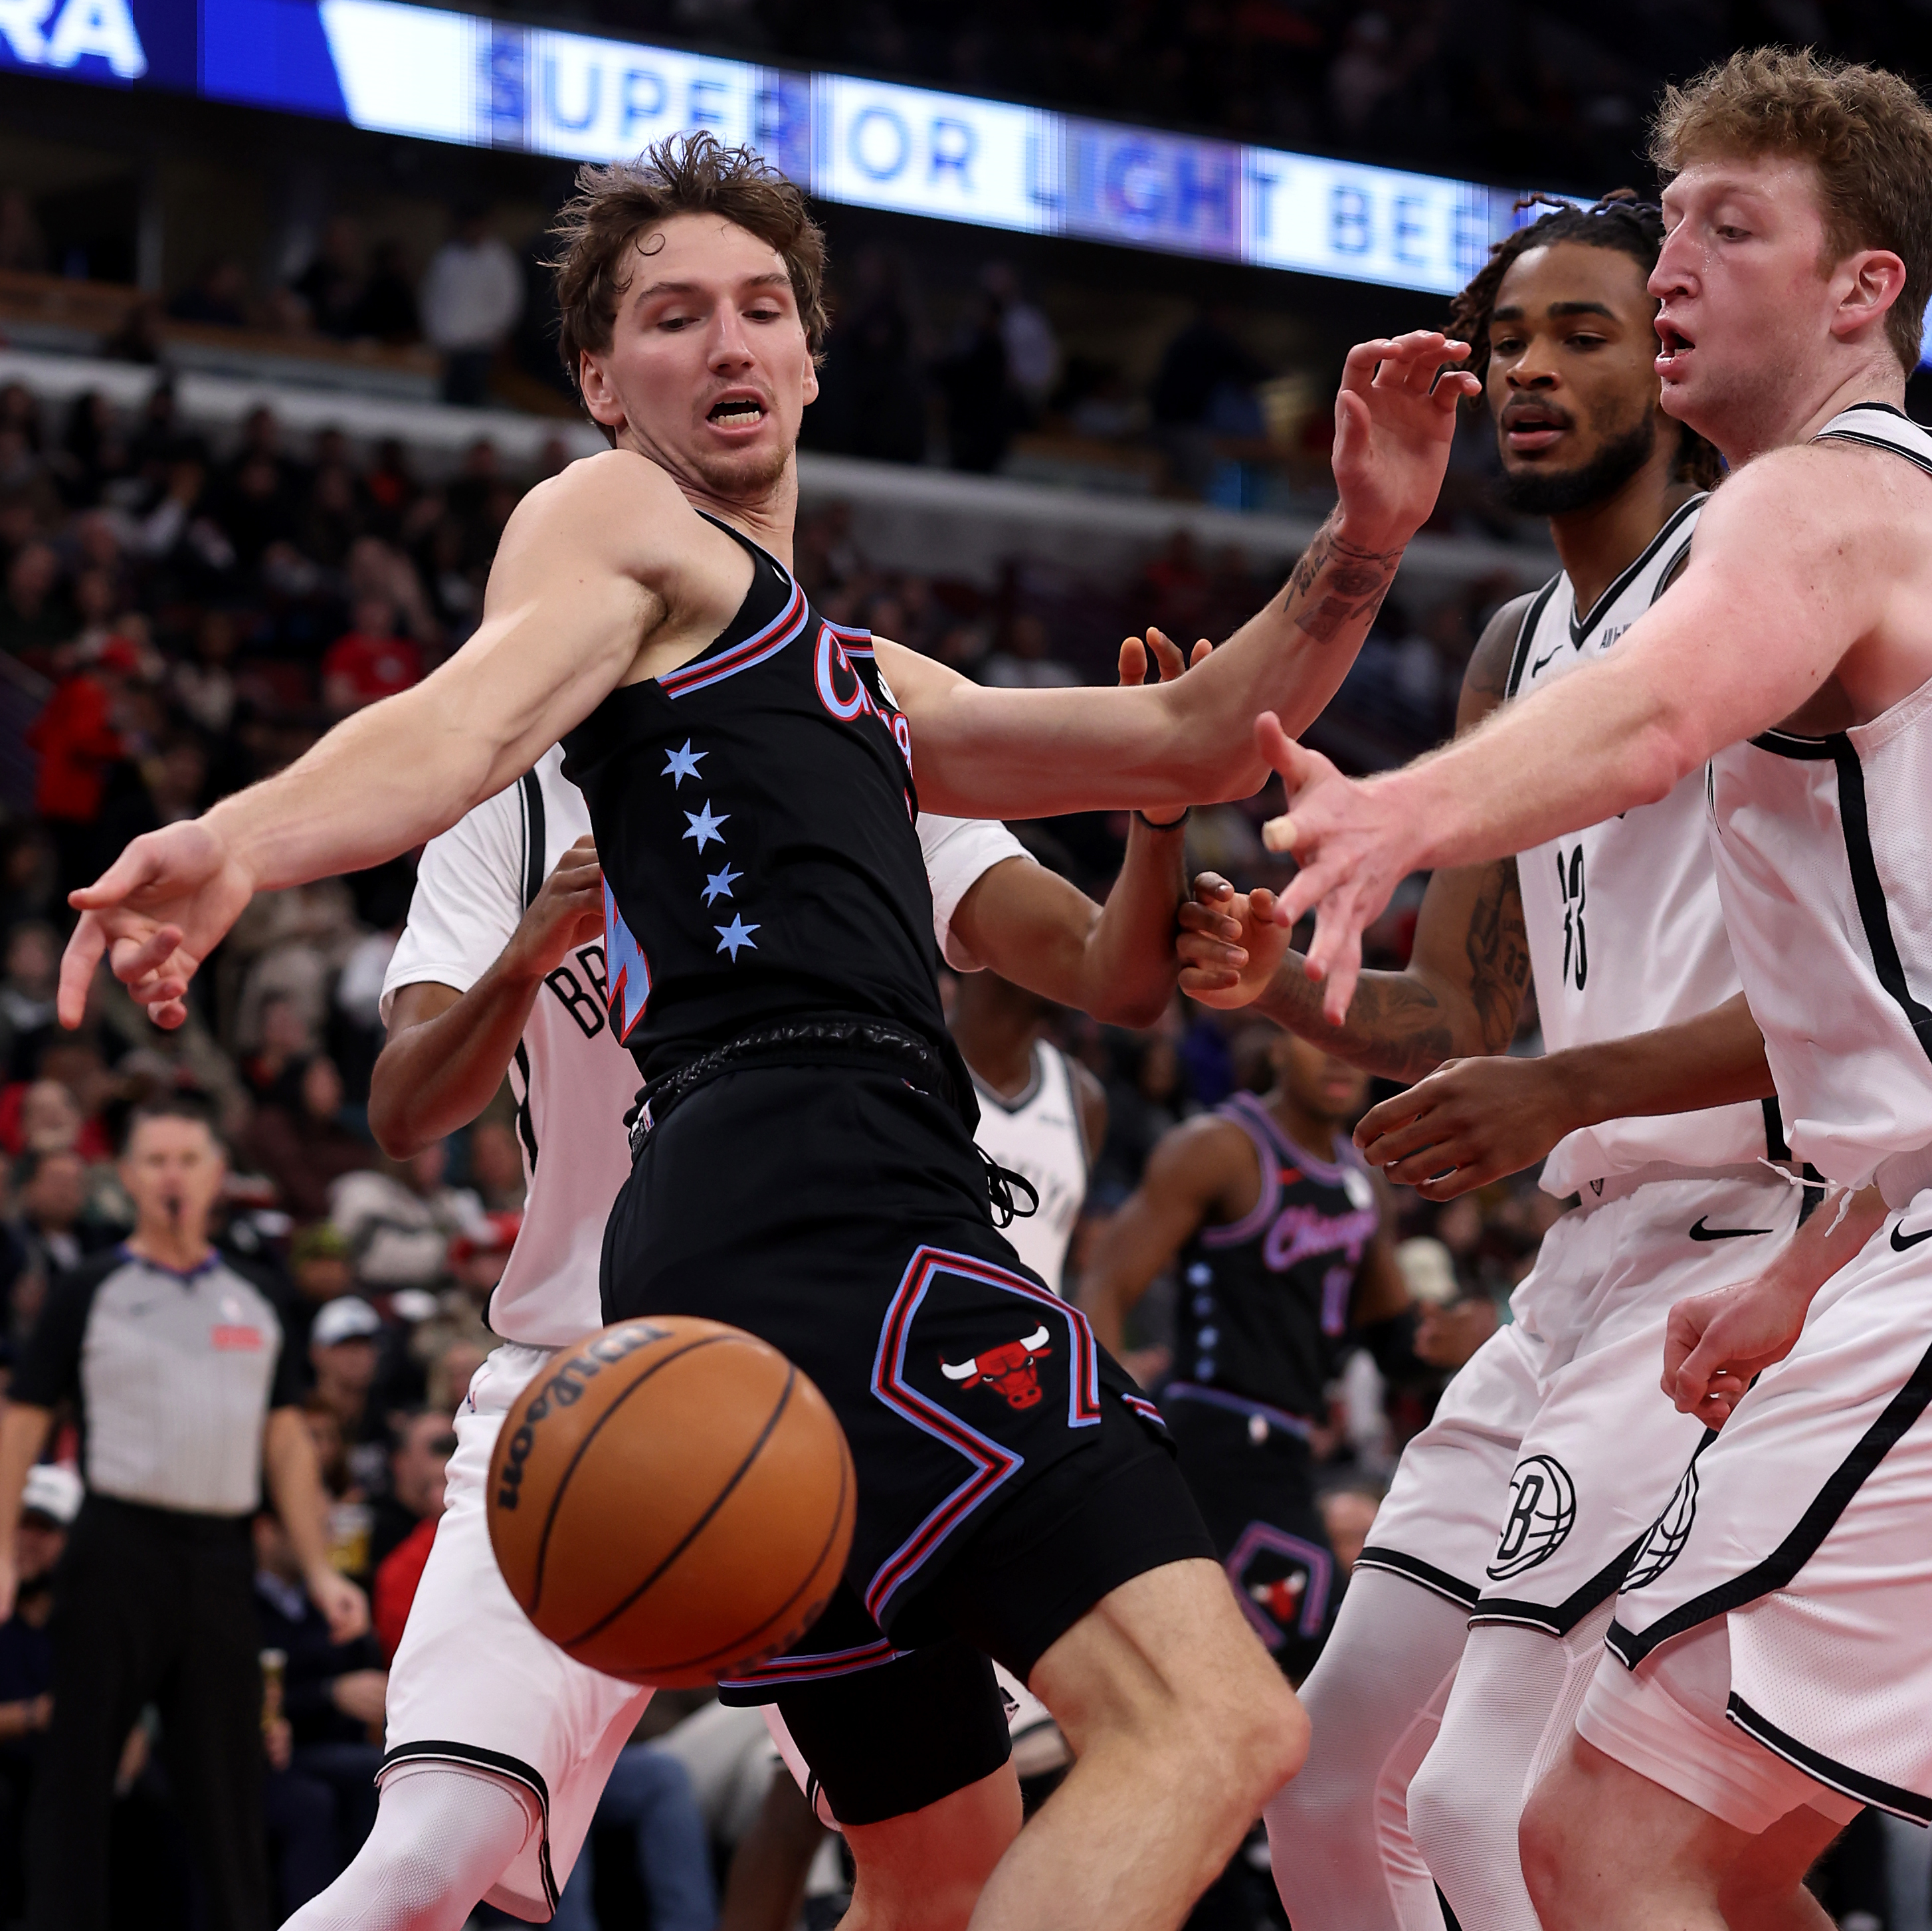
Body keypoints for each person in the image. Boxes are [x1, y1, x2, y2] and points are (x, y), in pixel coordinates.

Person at [56, 133, 1478, 1931]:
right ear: (601, 382)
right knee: (1215, 1721)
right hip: (829, 1200)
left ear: (814, 355)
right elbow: (463, 721)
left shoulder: (856, 675)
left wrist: (1357, 541)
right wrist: (240, 841)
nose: (723, 345)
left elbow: (1197, 741)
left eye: (757, 310)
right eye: (668, 318)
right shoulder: (613, 525)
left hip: (752, 1242)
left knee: (938, 1868)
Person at [1236, 47, 1932, 1930]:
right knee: (1592, 1827)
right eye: (1674, 222)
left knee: (1547, 1820)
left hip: (1772, 1235)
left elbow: (1644, 721)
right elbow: (1878, 1007)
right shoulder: (1801, 527)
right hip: (1800, 1247)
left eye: (1726, 229)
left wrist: (1391, 810)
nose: (1677, 269)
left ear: (1862, 289)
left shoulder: (1813, 509)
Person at [284, 628, 1203, 1931]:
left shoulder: (850, 742)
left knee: (966, 1869)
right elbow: (402, 1105)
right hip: (572, 1393)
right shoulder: (513, 802)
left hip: (820, 1381)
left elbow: (1114, 968)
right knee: (420, 1864)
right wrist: (529, 949)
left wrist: (1156, 809)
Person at [1177, 191, 1794, 1931]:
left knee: (1485, 1799)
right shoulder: (1518, 650)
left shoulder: (1761, 583)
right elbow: (1461, 1021)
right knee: (1317, 1767)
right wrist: (1284, 992)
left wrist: (1570, 1091)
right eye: (1507, 339)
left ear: (1672, 370)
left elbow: (1861, 1010)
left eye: (1582, 334)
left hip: (1749, 1248)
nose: (1528, 369)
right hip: (1582, 1265)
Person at [0, 1098, 367, 1931]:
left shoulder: (257, 1297)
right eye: (156, 1160)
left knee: (230, 1782)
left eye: (189, 1159)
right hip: (114, 1544)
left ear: (215, 1176)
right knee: (80, 1772)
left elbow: (286, 1447)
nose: (173, 1175)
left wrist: (317, 1569)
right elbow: (22, 1418)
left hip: (219, 1556)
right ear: (127, 1177)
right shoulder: (90, 1289)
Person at [1081, 1031, 1405, 1681]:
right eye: (1320, 1037)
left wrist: (1451, 1333)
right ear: (1278, 1046)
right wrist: (1105, 1429)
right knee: (1316, 1660)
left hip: (1288, 1447)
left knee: (1269, 1674)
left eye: (1356, 1040)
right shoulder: (1219, 1146)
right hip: (1215, 1432)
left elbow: (1395, 1341)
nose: (1340, 1054)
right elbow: (1105, 1284)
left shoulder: (1361, 1178)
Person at [419, 205, 523, 407]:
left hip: (480, 349)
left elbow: (509, 304)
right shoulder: (447, 258)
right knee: (446, 404)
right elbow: (431, 298)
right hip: (448, 349)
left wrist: (493, 335)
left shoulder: (499, 261)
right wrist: (436, 334)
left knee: (473, 405)